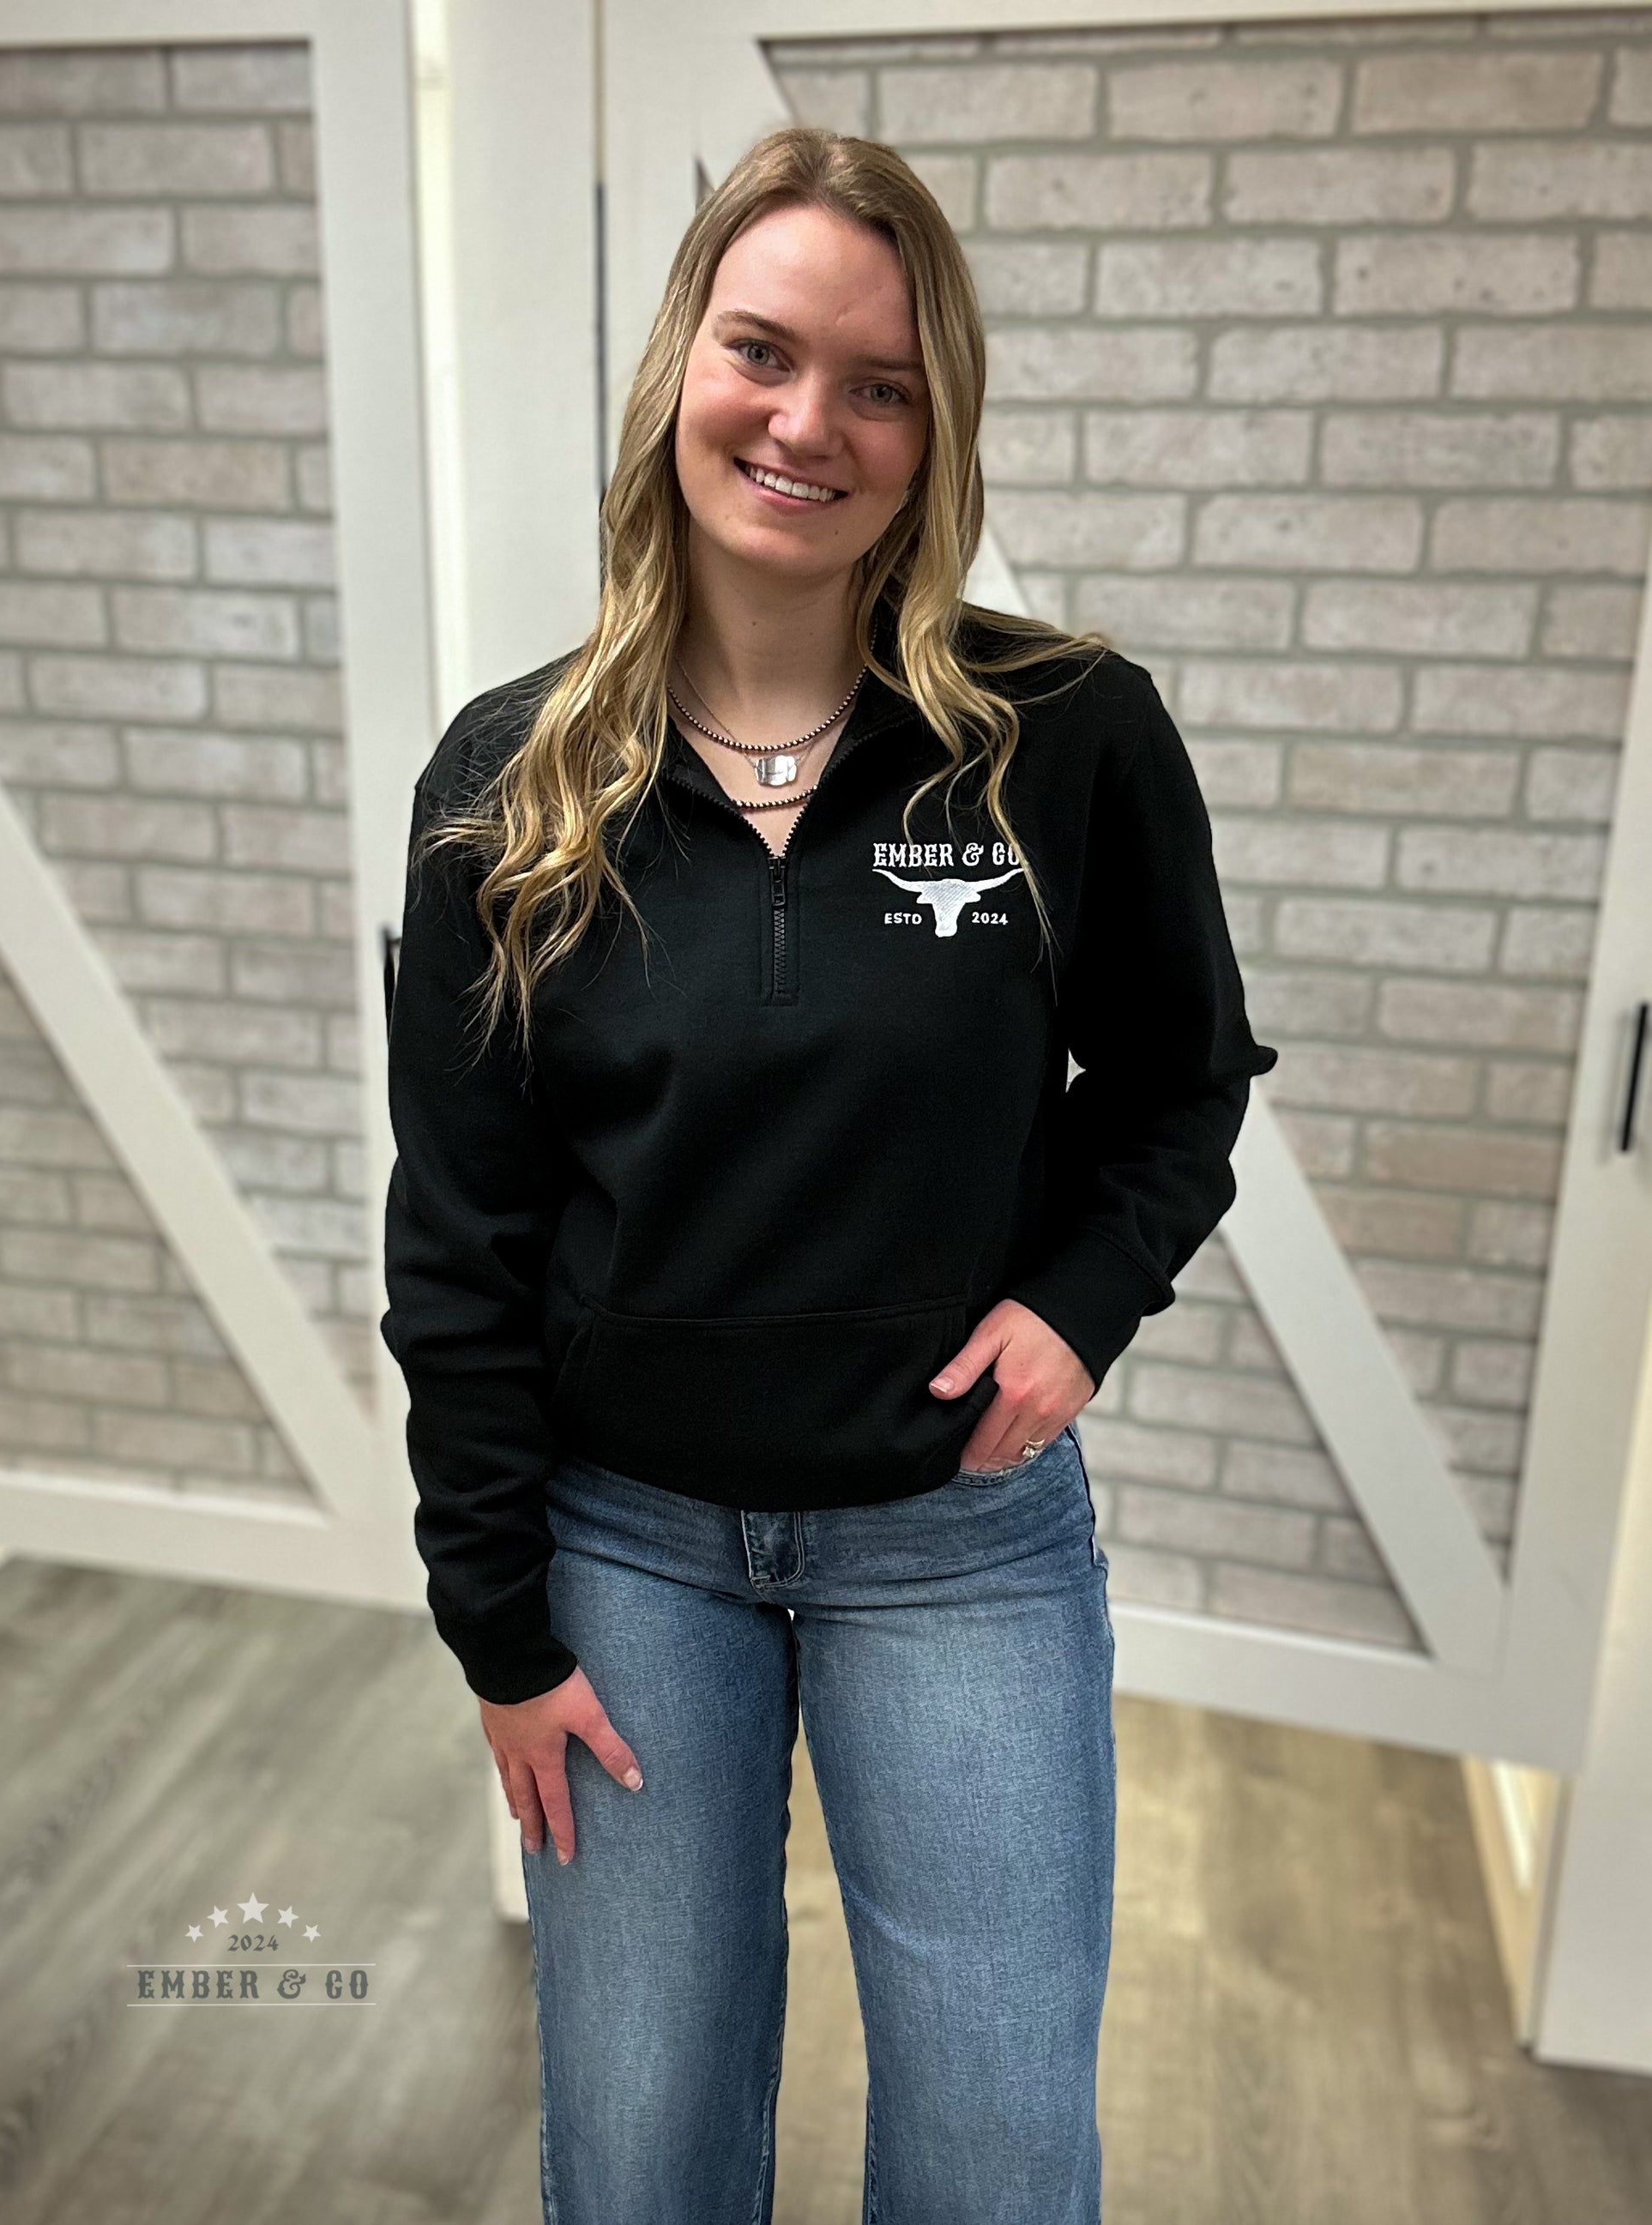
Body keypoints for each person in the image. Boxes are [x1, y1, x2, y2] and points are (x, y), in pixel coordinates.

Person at [382, 124, 1277, 2225]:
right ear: (680, 367)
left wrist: (1077, 1305)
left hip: (959, 1542)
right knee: (642, 2151)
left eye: (880, 385)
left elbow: (1181, 1083)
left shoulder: (1067, 735)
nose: (808, 423)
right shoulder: (510, 780)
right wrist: (495, 1622)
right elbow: (462, 1237)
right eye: (764, 353)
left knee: (995, 2155)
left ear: (935, 431)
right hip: (622, 1552)